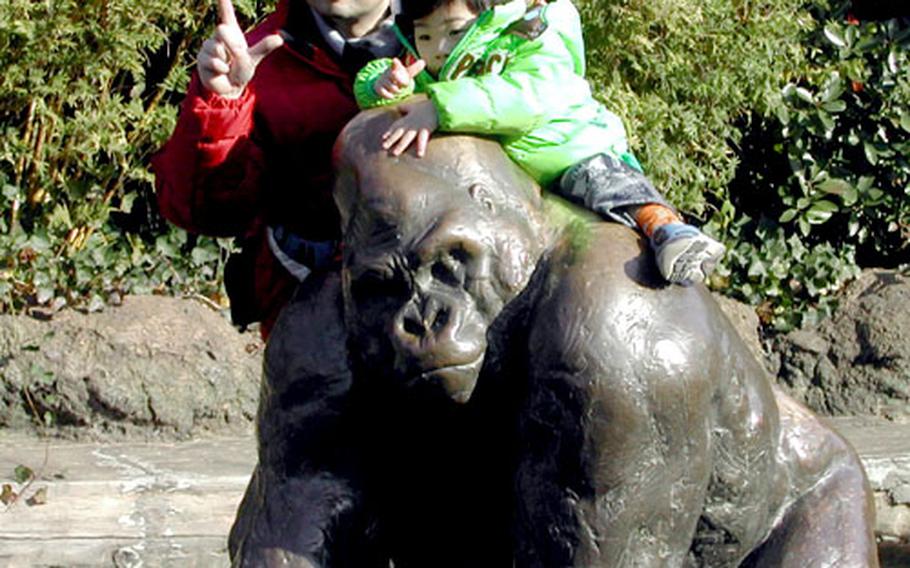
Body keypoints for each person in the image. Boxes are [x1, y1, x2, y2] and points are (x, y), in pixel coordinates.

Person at [353, 0, 726, 285]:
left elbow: (527, 95)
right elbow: (393, 96)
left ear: (483, 19)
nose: (439, 48)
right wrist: (384, 85)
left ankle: (666, 230)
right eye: (426, 36)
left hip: (564, 148)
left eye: (453, 31)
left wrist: (440, 107)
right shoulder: (432, 68)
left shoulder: (531, 30)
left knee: (604, 184)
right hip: (511, 175)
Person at [151, 0, 402, 338]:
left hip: (440, 312)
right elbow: (202, 211)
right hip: (305, 321)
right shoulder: (256, 57)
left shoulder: (461, 38)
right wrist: (223, 103)